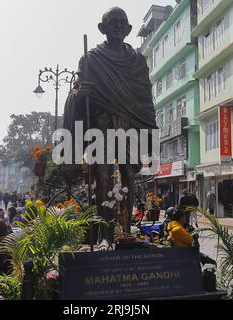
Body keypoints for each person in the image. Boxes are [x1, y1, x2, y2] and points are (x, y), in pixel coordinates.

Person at [63, 7, 157, 248]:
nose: (117, 25)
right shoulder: (91, 59)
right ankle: (105, 234)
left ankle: (126, 232)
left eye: (121, 22)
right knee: (102, 178)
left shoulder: (137, 61)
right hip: (102, 124)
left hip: (130, 124)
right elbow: (77, 92)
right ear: (102, 28)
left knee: (128, 176)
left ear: (127, 29)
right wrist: (78, 93)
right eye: (112, 22)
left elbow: (145, 96)